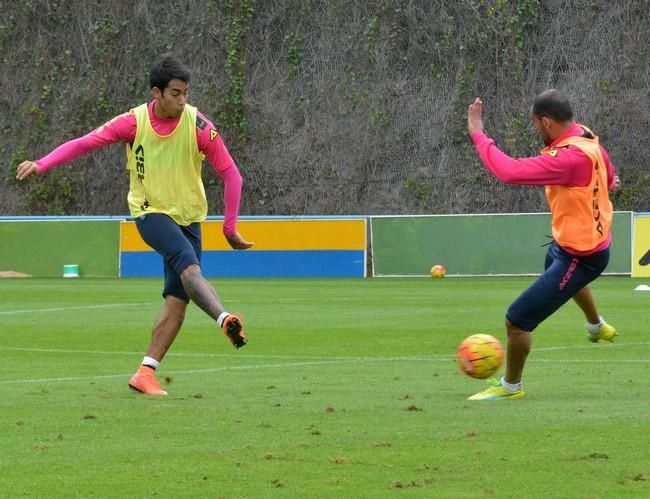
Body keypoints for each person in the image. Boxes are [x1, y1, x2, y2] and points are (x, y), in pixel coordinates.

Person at [16, 54, 253, 396]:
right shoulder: (133, 122)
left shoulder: (199, 125)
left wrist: (229, 228)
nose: (183, 100)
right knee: (189, 269)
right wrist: (43, 163)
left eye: (186, 92)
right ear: (157, 93)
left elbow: (232, 175)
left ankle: (145, 373)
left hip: (188, 216)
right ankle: (224, 319)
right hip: (150, 212)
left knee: (177, 300)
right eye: (175, 93)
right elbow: (85, 143)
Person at [466, 89, 619, 401]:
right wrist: (610, 180)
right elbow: (609, 169)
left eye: (536, 123)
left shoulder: (569, 158)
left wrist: (478, 134)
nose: (536, 128)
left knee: (517, 320)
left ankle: (511, 388)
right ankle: (595, 325)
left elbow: (509, 172)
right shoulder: (585, 137)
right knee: (564, 277)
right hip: (571, 243)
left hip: (582, 256)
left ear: (547, 122)